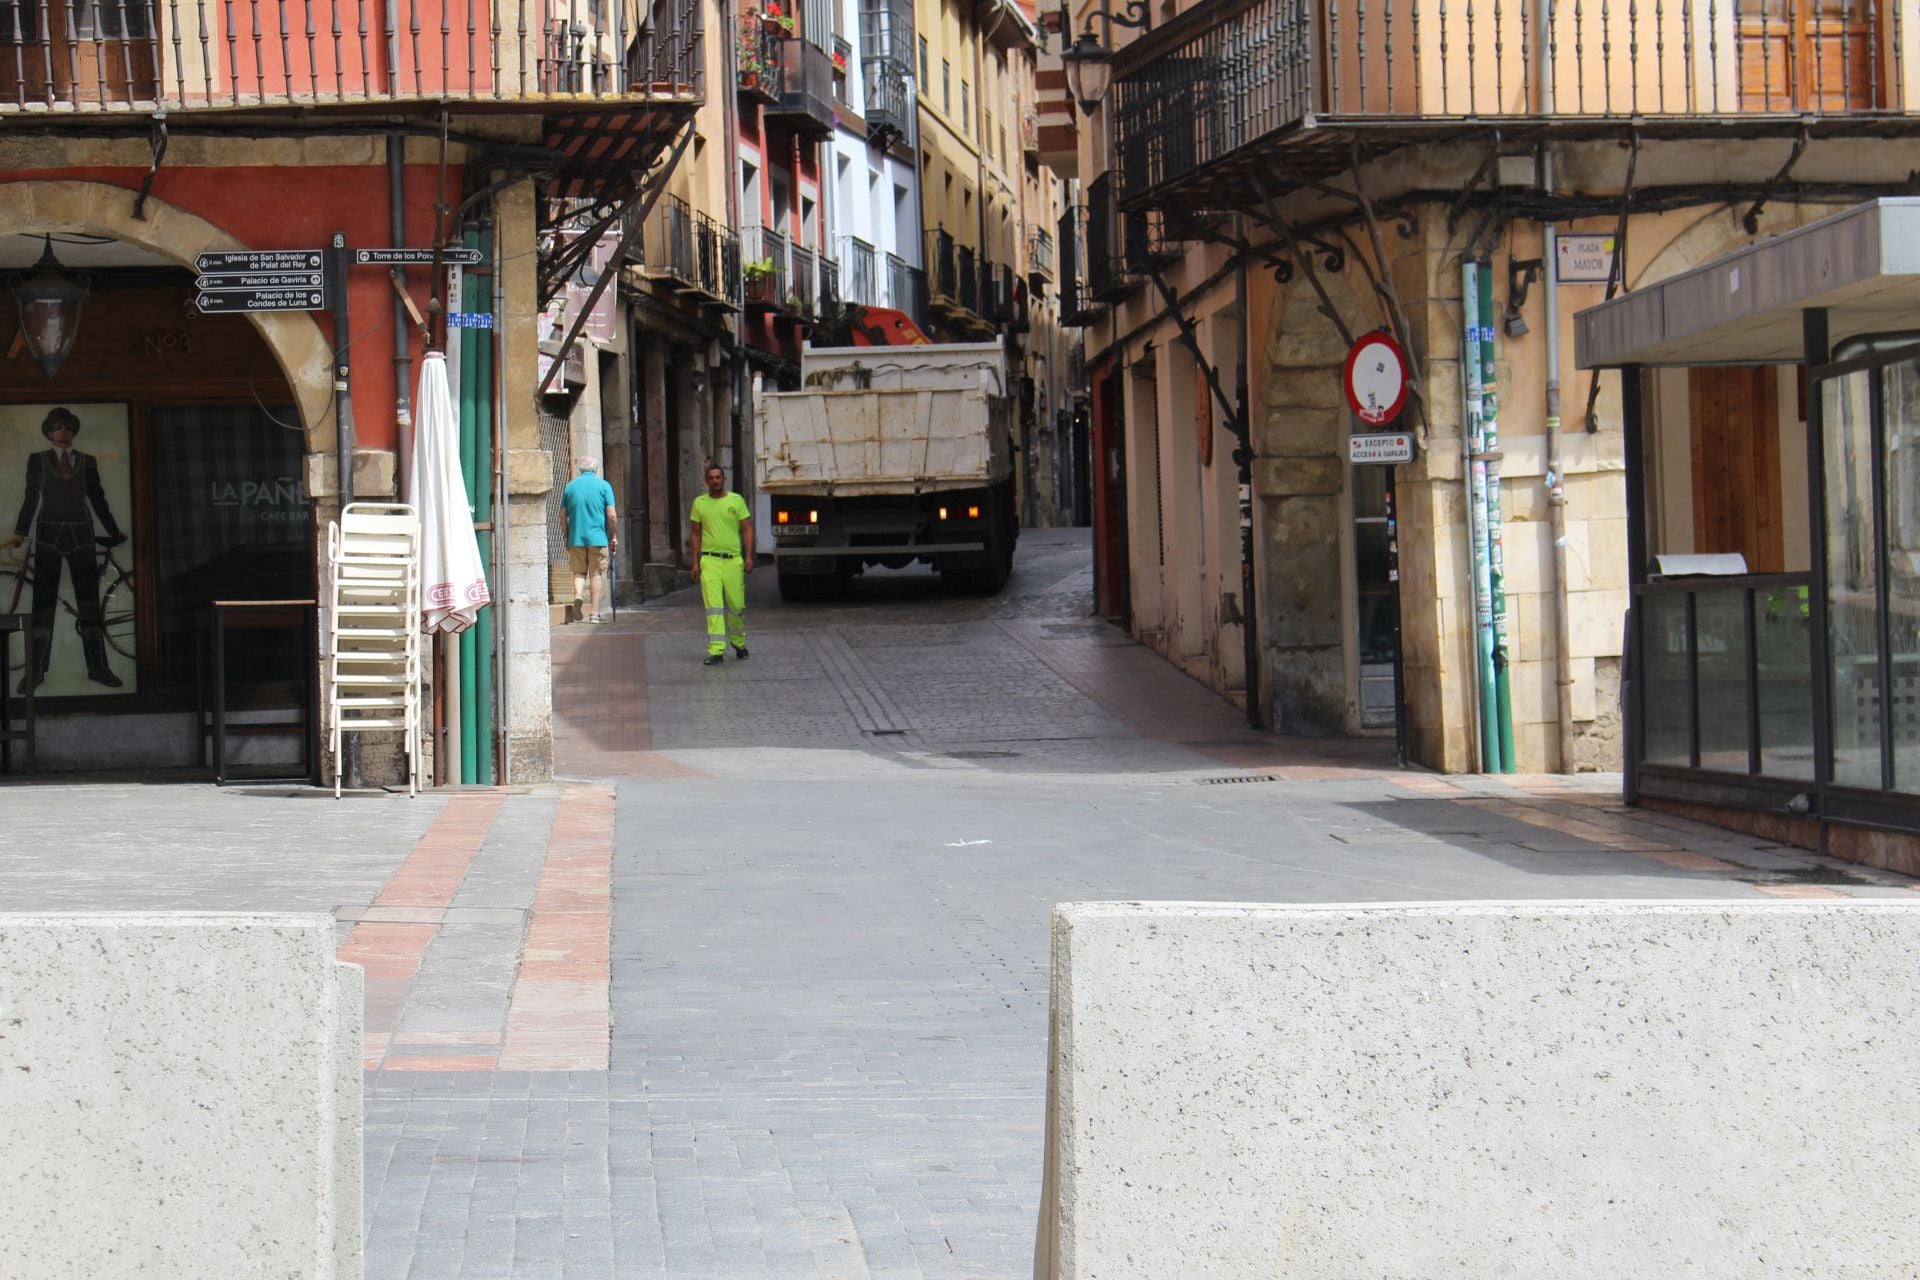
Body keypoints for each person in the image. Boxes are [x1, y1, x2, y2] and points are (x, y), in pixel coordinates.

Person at [2, 406, 126, 692]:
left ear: (74, 433)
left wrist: (112, 531)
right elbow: (31, 498)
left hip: (82, 535)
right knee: (42, 604)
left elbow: (97, 498)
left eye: (68, 428)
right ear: (49, 433)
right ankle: (36, 670)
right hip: (49, 535)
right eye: (58, 427)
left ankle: (98, 667)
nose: (63, 432)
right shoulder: (38, 460)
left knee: (89, 602)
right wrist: (20, 532)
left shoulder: (87, 461)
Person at [690, 463, 754, 666]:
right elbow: (695, 533)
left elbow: (747, 529)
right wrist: (694, 562)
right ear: (706, 481)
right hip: (709, 561)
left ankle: (739, 642)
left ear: (724, 479)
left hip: (733, 560)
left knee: (736, 605)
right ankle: (716, 650)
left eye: (718, 477)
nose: (715, 481)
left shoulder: (736, 501)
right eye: (711, 478)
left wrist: (748, 556)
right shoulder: (699, 503)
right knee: (714, 607)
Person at [561, 456, 617, 624]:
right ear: (596, 469)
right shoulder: (604, 486)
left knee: (579, 571)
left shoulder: (570, 487)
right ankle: (594, 614)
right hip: (597, 537)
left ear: (580, 469)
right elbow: (612, 515)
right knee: (596, 574)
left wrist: (566, 535)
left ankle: (578, 595)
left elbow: (562, 514)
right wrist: (613, 536)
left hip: (576, 537)